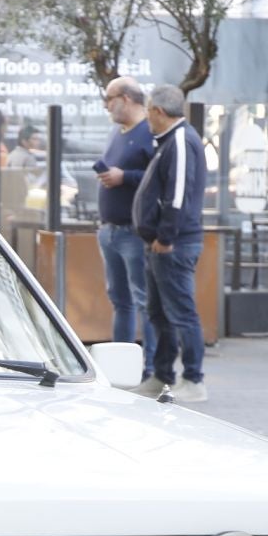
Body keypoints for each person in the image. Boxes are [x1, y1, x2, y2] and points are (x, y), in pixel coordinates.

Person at [132, 84, 209, 402]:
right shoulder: (169, 141)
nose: (147, 116)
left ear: (159, 112)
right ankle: (162, 375)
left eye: (148, 109)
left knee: (181, 313)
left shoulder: (179, 141)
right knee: (159, 313)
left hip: (173, 246)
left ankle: (193, 380)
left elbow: (177, 194)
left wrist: (165, 238)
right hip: (161, 245)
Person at [93, 78, 156, 379]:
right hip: (109, 230)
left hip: (133, 231)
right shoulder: (116, 133)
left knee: (143, 300)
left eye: (110, 97)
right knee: (121, 301)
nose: (107, 104)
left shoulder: (149, 133)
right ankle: (121, 366)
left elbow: (158, 176)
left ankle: (152, 368)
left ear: (128, 98)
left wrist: (125, 177)